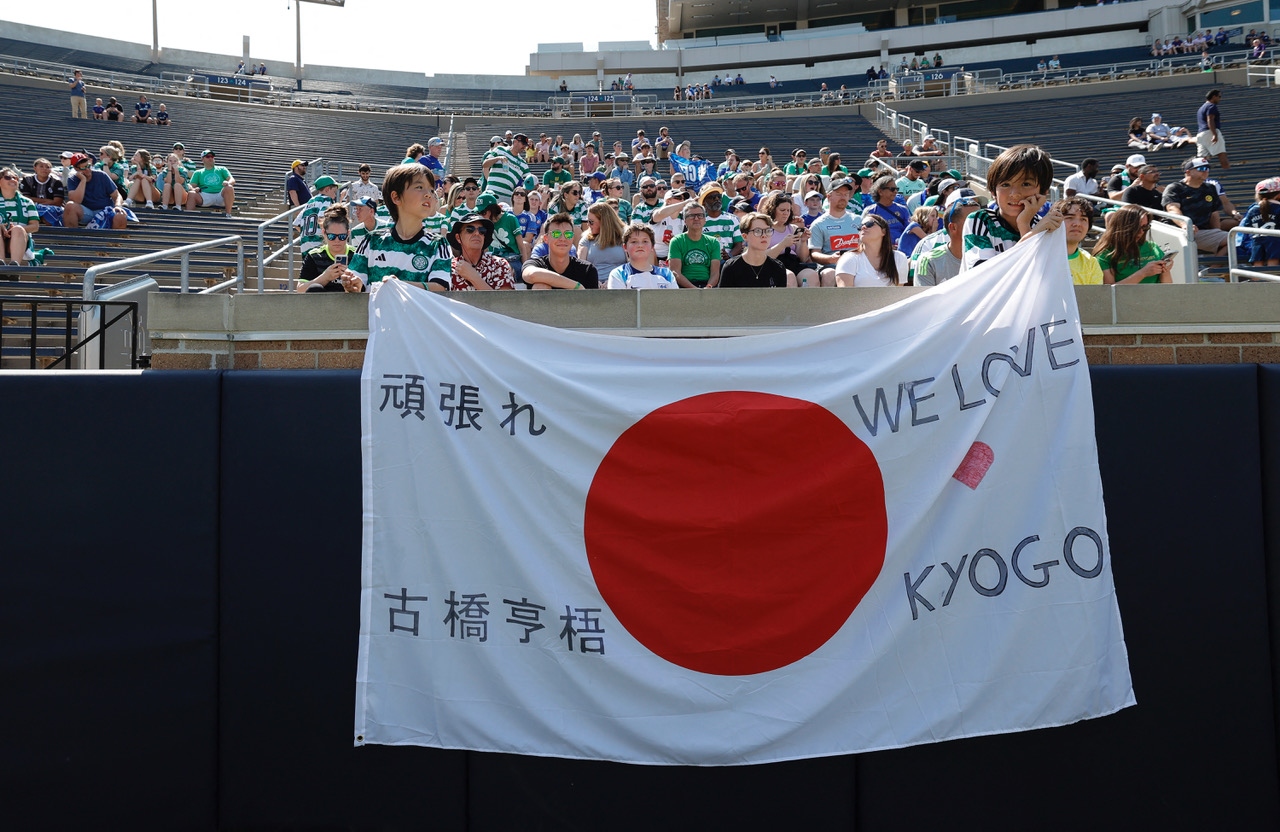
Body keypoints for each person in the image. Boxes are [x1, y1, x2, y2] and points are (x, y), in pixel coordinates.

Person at [960, 144, 1063, 272]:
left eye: (1026, 184)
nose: (1014, 193)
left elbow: (1040, 276)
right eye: (1005, 184)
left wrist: (1024, 227)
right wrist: (1028, 229)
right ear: (993, 191)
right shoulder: (981, 220)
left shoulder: (1045, 228)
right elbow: (985, 275)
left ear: (1043, 191)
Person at [349, 165, 451, 291]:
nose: (429, 195)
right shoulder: (372, 240)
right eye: (419, 187)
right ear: (396, 197)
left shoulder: (438, 245)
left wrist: (400, 286)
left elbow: (441, 287)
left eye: (431, 190)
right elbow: (356, 280)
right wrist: (353, 284)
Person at [1163, 156, 1229, 255]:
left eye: (1207, 168)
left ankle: (1213, 268)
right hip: (1179, 230)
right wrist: (1185, 225)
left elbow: (1214, 213)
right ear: (1188, 171)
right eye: (1201, 169)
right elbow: (1172, 208)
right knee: (1234, 238)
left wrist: (1217, 231)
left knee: (1236, 239)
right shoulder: (1175, 188)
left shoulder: (1210, 188)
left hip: (1202, 232)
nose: (1206, 171)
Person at [1093, 205, 1173, 284]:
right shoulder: (1105, 254)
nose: (1141, 232)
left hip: (1155, 296)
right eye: (1137, 227)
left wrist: (1165, 270)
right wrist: (1142, 273)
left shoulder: (1152, 247)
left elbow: (1167, 287)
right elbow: (1110, 292)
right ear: (1122, 227)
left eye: (1145, 227)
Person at [915, 194, 981, 287]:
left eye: (981, 220)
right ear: (953, 227)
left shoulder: (991, 256)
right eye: (972, 221)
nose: (981, 225)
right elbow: (926, 300)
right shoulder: (929, 261)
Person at [297, 205, 363, 293]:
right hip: (323, 305)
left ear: (348, 234)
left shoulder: (357, 255)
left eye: (342, 236)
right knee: (314, 288)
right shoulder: (314, 256)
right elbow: (300, 290)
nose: (337, 240)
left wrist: (352, 283)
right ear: (324, 233)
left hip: (350, 303)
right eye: (332, 236)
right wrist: (325, 277)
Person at [807, 179, 861, 286]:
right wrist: (831, 259)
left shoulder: (858, 220)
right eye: (839, 194)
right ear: (829, 197)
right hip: (831, 267)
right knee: (829, 274)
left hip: (858, 265)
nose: (843, 197)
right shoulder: (818, 224)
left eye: (846, 194)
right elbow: (814, 254)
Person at [758, 190, 818, 287]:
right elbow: (761, 257)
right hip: (773, 264)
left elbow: (803, 258)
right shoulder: (764, 230)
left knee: (811, 275)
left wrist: (803, 241)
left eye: (788, 210)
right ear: (773, 210)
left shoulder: (793, 228)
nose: (786, 213)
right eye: (782, 210)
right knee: (788, 276)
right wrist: (783, 244)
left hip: (793, 262)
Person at [523, 213, 598, 290]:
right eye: (556, 234)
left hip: (576, 302)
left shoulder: (587, 269)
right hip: (544, 302)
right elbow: (532, 275)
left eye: (568, 234)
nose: (563, 238)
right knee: (540, 287)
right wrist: (577, 286)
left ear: (572, 238)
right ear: (546, 238)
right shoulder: (536, 264)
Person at [720, 212, 789, 288]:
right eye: (758, 231)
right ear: (745, 236)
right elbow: (723, 298)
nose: (764, 235)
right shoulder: (731, 267)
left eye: (768, 231)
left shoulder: (778, 267)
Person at [835, 214, 906, 287]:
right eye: (860, 227)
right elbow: (845, 295)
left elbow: (898, 292)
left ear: (883, 231)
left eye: (869, 224)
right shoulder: (848, 259)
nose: (863, 227)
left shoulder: (899, 258)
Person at [62, 154, 128, 229]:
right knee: (70, 206)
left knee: (120, 214)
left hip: (105, 211)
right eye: (83, 167)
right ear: (76, 169)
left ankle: (115, 240)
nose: (87, 169)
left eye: (88, 166)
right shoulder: (72, 179)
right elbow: (76, 200)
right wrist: (83, 180)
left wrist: (118, 206)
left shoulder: (101, 175)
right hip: (87, 212)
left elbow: (117, 195)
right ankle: (73, 238)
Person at [667, 202, 722, 289]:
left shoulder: (713, 242)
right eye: (691, 216)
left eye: (700, 215)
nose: (696, 218)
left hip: (707, 286)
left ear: (704, 220)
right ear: (685, 221)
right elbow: (675, 271)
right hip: (684, 287)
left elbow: (715, 273)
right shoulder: (677, 241)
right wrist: (694, 289)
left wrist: (708, 287)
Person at [606, 224, 677, 289]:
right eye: (634, 242)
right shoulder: (619, 274)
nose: (640, 245)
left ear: (652, 247)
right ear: (625, 247)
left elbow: (675, 301)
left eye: (645, 241)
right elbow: (618, 302)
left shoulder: (667, 274)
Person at [1056, 197, 1103, 285]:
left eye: (1083, 219)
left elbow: (1094, 298)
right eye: (1069, 217)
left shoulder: (1091, 263)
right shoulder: (1039, 257)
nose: (1077, 224)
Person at [576, 201, 627, 280]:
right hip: (593, 284)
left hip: (619, 282)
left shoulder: (624, 236)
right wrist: (594, 282)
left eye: (591, 222)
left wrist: (612, 281)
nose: (588, 225)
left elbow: (631, 266)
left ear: (604, 222)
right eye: (587, 221)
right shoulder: (586, 239)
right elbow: (581, 268)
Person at [0, 168, 39, 265]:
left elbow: (35, 226)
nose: (13, 180)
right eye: (8, 177)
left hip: (19, 238)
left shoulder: (27, 202)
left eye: (15, 178)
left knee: (18, 229)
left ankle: (15, 266)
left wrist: (13, 230)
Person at [294, 176, 340, 254]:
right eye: (334, 192)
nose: (335, 195)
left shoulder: (310, 202)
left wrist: (308, 234)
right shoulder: (327, 199)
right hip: (319, 244)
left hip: (305, 245)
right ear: (327, 189)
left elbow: (296, 224)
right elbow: (321, 218)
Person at [861, 176, 912, 246]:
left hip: (900, 249)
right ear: (880, 191)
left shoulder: (903, 210)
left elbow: (909, 231)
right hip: (878, 249)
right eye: (892, 189)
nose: (895, 191)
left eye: (896, 189)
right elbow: (865, 234)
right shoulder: (870, 211)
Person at [481, 134, 530, 207]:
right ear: (515, 142)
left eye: (525, 145)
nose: (524, 147)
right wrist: (498, 158)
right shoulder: (500, 149)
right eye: (523, 144)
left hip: (508, 197)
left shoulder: (523, 164)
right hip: (492, 193)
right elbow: (485, 164)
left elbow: (529, 181)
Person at [184, 150, 236, 217]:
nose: (211, 158)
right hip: (205, 196)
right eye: (208, 156)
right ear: (202, 159)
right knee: (191, 193)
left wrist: (228, 183)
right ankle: (189, 217)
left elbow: (232, 180)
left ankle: (228, 214)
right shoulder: (198, 172)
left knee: (229, 187)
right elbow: (190, 185)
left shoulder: (222, 169)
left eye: (212, 156)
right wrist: (193, 189)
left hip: (220, 195)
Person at [1196, 89, 1229, 169]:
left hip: (1200, 135)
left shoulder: (1201, 108)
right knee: (1222, 154)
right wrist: (1214, 134)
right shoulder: (1211, 106)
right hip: (1209, 132)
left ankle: (1200, 176)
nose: (1220, 99)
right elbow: (1210, 119)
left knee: (1202, 159)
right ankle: (1229, 173)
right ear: (1214, 97)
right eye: (1219, 97)